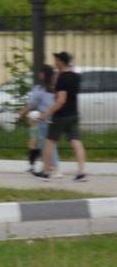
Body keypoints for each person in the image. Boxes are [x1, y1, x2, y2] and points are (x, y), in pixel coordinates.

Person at [37, 51, 86, 181]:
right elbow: (69, 92)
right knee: (76, 141)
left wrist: (47, 113)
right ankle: (82, 172)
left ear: (61, 62)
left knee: (49, 141)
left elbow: (61, 100)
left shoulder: (62, 78)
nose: (55, 63)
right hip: (74, 114)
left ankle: (46, 171)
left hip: (61, 115)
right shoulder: (76, 76)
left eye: (57, 60)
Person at [18, 64, 55, 174]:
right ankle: (48, 167)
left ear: (44, 74)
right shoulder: (53, 88)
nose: (39, 74)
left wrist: (21, 113)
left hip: (44, 118)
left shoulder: (41, 89)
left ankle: (50, 167)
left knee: (46, 144)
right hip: (50, 118)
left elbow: (31, 103)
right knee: (48, 144)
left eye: (40, 72)